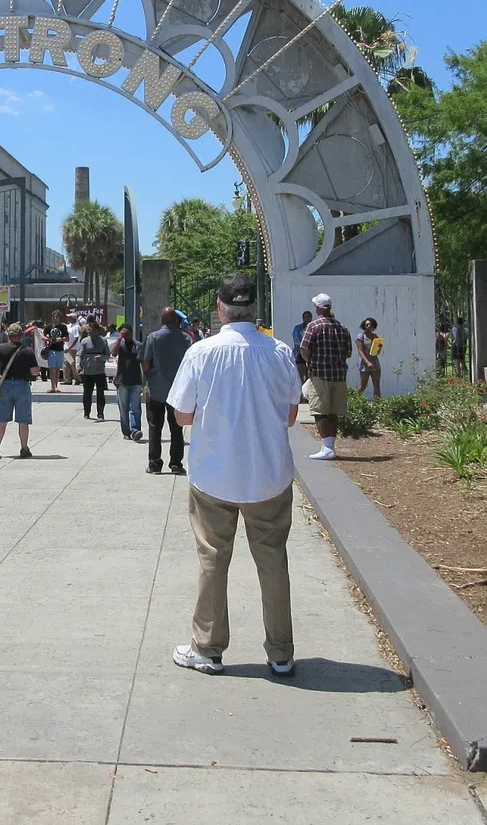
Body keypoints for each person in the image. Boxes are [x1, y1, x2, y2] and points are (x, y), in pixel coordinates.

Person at [168, 273, 302, 679]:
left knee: (213, 559)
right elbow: (292, 414)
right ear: (255, 309)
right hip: (268, 476)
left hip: (214, 474)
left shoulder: (201, 352)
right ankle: (281, 653)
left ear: (220, 307)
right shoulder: (279, 352)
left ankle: (208, 648)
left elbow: (182, 414)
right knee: (273, 561)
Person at [299, 293, 352, 461]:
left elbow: (304, 348)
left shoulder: (314, 326)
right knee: (333, 411)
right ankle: (330, 446)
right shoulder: (342, 328)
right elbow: (349, 352)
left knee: (320, 410)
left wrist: (310, 361)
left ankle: (327, 447)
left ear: (318, 308)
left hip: (320, 374)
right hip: (339, 374)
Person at [141, 307, 191, 475]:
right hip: (178, 390)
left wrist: (152, 379)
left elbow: (145, 363)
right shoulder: (186, 339)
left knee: (155, 426)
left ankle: (155, 464)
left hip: (156, 389)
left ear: (161, 320)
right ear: (177, 321)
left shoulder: (153, 337)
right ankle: (176, 463)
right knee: (176, 427)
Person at [0, 321, 39, 458]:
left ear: (8, 335)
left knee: (2, 420)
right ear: (21, 336)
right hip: (22, 386)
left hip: (6, 386)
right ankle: (24, 448)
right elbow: (34, 372)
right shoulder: (27, 351)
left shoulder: (1, 348)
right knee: (23, 421)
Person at [112, 322, 145, 442]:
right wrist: (119, 338)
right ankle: (126, 431)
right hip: (122, 381)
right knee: (123, 407)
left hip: (135, 381)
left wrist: (145, 382)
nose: (125, 335)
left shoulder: (138, 345)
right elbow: (113, 353)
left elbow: (144, 363)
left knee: (135, 407)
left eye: (126, 332)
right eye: (123, 332)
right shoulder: (119, 345)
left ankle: (136, 430)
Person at [76, 319, 110, 421]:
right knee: (87, 393)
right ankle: (87, 412)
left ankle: (100, 414)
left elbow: (108, 355)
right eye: (88, 328)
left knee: (100, 393)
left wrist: (102, 357)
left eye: (91, 328)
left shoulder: (103, 341)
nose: (89, 330)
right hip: (87, 371)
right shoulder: (84, 341)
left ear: (96, 330)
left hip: (99, 371)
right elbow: (79, 354)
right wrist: (78, 365)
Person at [356, 317, 384, 400]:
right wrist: (367, 362)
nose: (369, 326)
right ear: (364, 326)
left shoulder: (375, 337)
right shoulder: (361, 336)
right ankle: (353, 400)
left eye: (370, 324)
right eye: (367, 324)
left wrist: (380, 347)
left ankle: (378, 405)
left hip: (375, 362)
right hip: (364, 363)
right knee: (363, 386)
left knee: (377, 385)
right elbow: (360, 351)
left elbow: (377, 352)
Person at [43, 310, 68, 392]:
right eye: (53, 317)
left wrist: (60, 339)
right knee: (52, 368)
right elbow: (42, 337)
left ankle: (56, 386)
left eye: (56, 317)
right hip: (51, 349)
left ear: (60, 318)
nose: (55, 318)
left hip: (60, 349)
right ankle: (52, 386)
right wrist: (50, 339)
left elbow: (67, 338)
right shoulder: (49, 327)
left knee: (57, 369)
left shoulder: (63, 327)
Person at [64, 311, 80, 387]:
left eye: (69, 317)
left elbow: (76, 338)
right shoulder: (69, 326)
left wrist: (70, 347)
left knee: (73, 364)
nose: (68, 318)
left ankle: (77, 379)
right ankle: (67, 380)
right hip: (66, 347)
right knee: (66, 364)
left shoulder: (76, 326)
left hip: (73, 348)